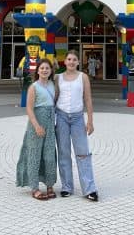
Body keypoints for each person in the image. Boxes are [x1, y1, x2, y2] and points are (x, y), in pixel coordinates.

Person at [55, 50, 99, 202]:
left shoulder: (83, 77)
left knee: (83, 153)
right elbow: (54, 98)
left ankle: (89, 189)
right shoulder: (58, 78)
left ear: (78, 62)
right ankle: (67, 187)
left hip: (77, 118)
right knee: (64, 153)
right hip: (61, 117)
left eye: (74, 59)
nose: (71, 62)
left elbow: (88, 99)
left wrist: (90, 121)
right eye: (69, 59)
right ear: (65, 61)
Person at [16, 58, 57, 200]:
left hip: (50, 124)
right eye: (42, 68)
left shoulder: (52, 84)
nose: (44, 70)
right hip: (37, 124)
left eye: (47, 68)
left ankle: (50, 184)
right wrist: (36, 126)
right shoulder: (33, 87)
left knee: (50, 154)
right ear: (38, 71)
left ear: (51, 71)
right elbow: (29, 108)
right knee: (34, 154)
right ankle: (34, 187)